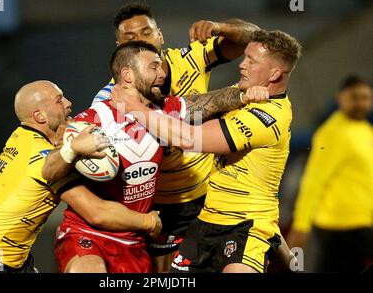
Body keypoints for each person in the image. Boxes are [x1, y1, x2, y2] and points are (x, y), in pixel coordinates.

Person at [53, 40, 269, 273]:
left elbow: (210, 102)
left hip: (136, 240)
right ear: (127, 75)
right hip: (88, 234)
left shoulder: (165, 111)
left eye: (162, 67)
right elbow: (49, 169)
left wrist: (244, 94)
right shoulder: (94, 119)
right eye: (154, 67)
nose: (163, 74)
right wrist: (69, 149)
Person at [111, 29, 302, 273]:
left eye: (252, 61)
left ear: (274, 73)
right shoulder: (250, 92)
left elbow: (189, 138)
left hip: (246, 226)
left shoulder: (267, 117)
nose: (241, 65)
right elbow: (205, 105)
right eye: (244, 57)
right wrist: (241, 95)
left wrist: (134, 107)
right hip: (207, 221)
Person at [93, 2, 260, 271]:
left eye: (146, 33)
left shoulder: (191, 59)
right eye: (129, 38)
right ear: (118, 47)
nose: (140, 42)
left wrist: (220, 27)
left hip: (209, 194)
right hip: (156, 206)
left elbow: (254, 39)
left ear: (160, 35)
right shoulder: (112, 99)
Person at [0, 80, 162, 273]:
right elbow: (97, 212)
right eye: (59, 100)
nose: (68, 103)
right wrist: (148, 220)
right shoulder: (45, 159)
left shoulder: (22, 137)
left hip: (11, 261)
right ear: (39, 116)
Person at [287, 76, 373, 272]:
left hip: (361, 220)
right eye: (355, 97)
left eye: (366, 98)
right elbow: (314, 180)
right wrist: (301, 225)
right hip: (339, 223)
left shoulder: (366, 130)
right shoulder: (332, 133)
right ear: (340, 98)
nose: (360, 103)